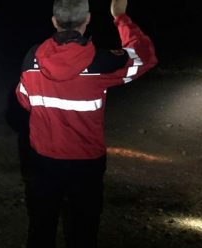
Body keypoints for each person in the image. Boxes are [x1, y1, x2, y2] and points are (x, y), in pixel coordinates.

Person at [15, 0, 158, 247]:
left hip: (43, 160)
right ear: (88, 18)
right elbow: (145, 56)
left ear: (54, 21)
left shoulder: (32, 58)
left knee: (41, 225)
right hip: (86, 165)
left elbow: (24, 100)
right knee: (84, 227)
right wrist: (120, 17)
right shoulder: (101, 63)